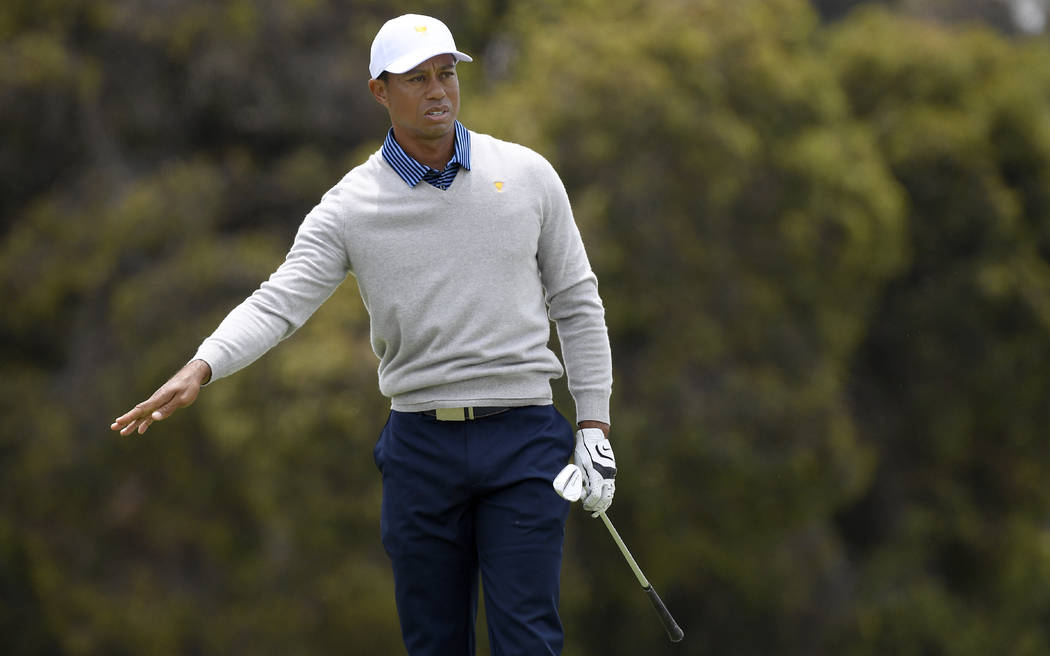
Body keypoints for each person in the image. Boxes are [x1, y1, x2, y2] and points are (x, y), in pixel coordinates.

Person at [110, 13, 616, 656]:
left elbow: (577, 302)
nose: (438, 91)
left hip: (523, 438)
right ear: (380, 91)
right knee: (433, 643)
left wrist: (594, 426)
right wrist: (201, 365)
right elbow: (278, 302)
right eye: (417, 79)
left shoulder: (527, 176)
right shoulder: (351, 207)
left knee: (528, 640)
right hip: (420, 446)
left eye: (446, 74)